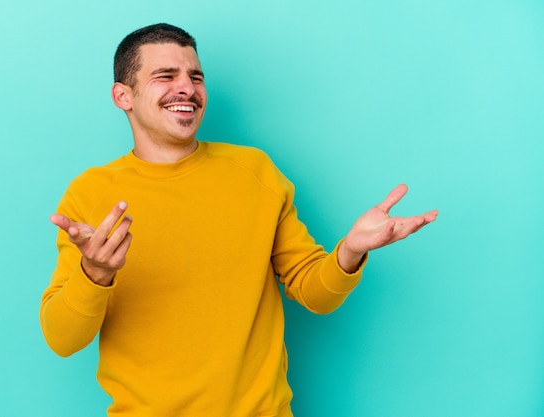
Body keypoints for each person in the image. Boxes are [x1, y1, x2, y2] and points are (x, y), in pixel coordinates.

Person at [40, 23, 438, 417]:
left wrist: (349, 251)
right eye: (166, 76)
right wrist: (94, 273)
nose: (187, 88)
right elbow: (62, 338)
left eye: (196, 77)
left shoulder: (255, 172)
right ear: (122, 96)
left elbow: (314, 293)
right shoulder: (90, 194)